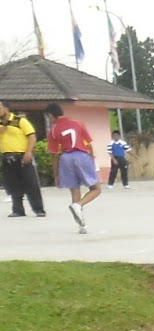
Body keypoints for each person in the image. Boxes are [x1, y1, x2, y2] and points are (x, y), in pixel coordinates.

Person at [44, 104, 102, 234]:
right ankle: (79, 205)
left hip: (65, 158)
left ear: (50, 115)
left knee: (74, 190)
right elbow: (89, 144)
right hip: (81, 155)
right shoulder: (78, 123)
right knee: (96, 189)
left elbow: (53, 154)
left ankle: (82, 225)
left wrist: (56, 175)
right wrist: (92, 161)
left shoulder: (53, 131)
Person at [1, 100, 46, 218]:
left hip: (21, 155)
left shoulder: (19, 121)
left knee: (31, 183)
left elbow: (31, 136)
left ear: (6, 108)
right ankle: (18, 209)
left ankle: (38, 209)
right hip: (6, 156)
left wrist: (28, 152)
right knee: (12, 184)